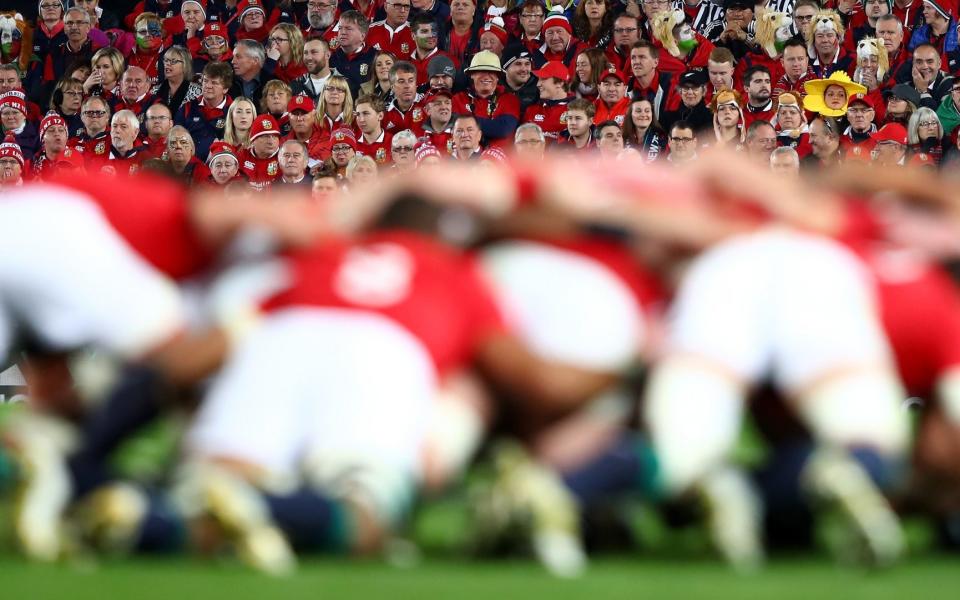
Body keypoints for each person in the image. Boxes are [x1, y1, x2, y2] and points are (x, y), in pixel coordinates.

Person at [452, 51, 521, 145]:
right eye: (481, 71)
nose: (486, 76)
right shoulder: (458, 99)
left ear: (497, 76)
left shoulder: (510, 100)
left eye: (492, 72)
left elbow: (503, 129)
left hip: (500, 158)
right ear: (472, 74)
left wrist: (465, 123)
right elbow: (453, 126)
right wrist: (489, 125)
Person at [175, 62, 234, 161]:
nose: (208, 86)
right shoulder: (187, 108)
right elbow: (175, 137)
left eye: (214, 83)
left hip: (222, 165)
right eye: (205, 81)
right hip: (189, 164)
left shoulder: (234, 111)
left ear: (225, 89)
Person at [330, 11, 378, 99]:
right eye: (340, 28)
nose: (343, 32)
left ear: (362, 36)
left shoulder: (375, 57)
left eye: (348, 29)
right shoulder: (330, 57)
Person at [522, 61, 574, 141]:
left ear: (560, 83)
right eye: (538, 79)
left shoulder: (578, 110)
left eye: (543, 79)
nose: (538, 84)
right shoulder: (531, 110)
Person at [628, 40, 673, 122]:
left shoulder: (672, 86)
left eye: (642, 57)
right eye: (633, 58)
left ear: (655, 62)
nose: (636, 62)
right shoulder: (624, 88)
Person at [661, 69, 712, 134]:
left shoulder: (711, 117)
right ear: (680, 91)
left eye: (695, 88)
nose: (690, 92)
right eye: (686, 88)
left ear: (704, 90)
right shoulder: (667, 118)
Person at [239, 115, 283, 190]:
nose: (271, 142)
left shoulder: (285, 157)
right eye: (265, 136)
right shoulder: (243, 155)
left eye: (275, 136)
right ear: (253, 140)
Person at [153, 46, 202, 113]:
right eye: (166, 60)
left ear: (185, 64)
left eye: (173, 61)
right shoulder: (154, 91)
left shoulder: (198, 92)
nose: (167, 64)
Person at [382, 62, 426, 133]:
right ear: (392, 87)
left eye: (411, 81)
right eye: (401, 81)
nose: (407, 86)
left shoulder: (427, 105)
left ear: (415, 84)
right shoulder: (385, 115)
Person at [803, 70, 867, 117]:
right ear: (823, 97)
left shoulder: (855, 120)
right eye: (830, 94)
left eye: (841, 95)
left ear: (846, 98)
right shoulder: (812, 119)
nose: (835, 97)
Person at [291, 38, 336, 103]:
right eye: (305, 53)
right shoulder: (295, 85)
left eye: (314, 52)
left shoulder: (345, 85)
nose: (309, 57)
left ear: (327, 55)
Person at [622, 97, 667, 162]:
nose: (643, 114)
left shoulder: (663, 138)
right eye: (638, 111)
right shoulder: (622, 138)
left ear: (652, 114)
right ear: (630, 114)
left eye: (647, 111)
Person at [354, 95, 394, 165]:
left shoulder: (394, 142)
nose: (361, 119)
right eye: (358, 114)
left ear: (380, 116)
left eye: (366, 114)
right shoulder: (352, 143)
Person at [0, 93, 39, 163]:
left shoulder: (37, 138)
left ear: (24, 115)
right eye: (6, 113)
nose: (11, 117)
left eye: (15, 112)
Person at [230, 39, 269, 107]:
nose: (233, 61)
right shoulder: (227, 82)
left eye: (238, 57)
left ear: (255, 60)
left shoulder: (271, 82)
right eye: (233, 57)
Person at [502, 46, 539, 115]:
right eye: (518, 64)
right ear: (505, 68)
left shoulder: (540, 88)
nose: (524, 69)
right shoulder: (495, 89)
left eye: (527, 64)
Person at [418, 88, 454, 154]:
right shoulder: (418, 135)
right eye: (438, 104)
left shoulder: (461, 133)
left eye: (447, 103)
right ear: (427, 110)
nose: (444, 107)